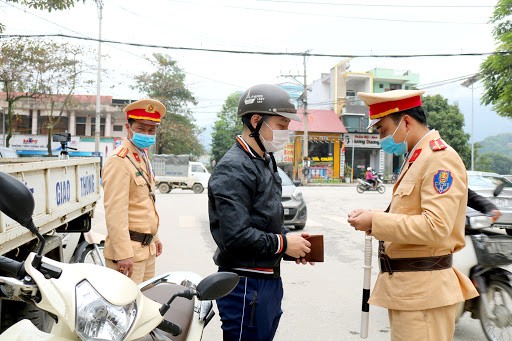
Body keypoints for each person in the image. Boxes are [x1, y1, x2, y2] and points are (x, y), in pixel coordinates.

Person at [347, 89, 478, 341]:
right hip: (409, 290)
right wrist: (374, 216)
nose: (381, 139)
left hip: (424, 292)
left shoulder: (439, 159)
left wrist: (376, 221)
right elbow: (408, 214)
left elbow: (436, 226)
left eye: (383, 130)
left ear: (406, 121)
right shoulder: (416, 157)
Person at [208, 84, 313, 341]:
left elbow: (265, 218)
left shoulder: (264, 159)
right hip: (245, 285)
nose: (285, 133)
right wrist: (283, 243)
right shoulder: (233, 168)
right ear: (257, 121)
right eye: (281, 125)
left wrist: (292, 244)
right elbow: (236, 236)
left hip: (266, 281)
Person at [102, 98, 165, 284]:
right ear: (128, 128)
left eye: (151, 130)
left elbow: (144, 204)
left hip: (145, 249)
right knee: (127, 309)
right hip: (128, 254)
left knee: (145, 306)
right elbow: (115, 212)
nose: (147, 133)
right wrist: (123, 254)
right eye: (141, 128)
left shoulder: (141, 156)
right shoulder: (119, 160)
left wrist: (155, 236)